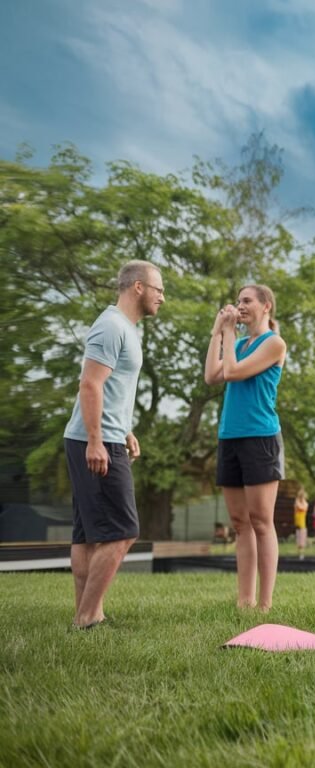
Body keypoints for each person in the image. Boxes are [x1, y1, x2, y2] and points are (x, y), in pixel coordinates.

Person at [64, 260, 165, 629]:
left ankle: (86, 613)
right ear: (138, 287)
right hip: (95, 441)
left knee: (89, 533)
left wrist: (124, 429)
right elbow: (90, 384)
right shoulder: (110, 326)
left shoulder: (122, 327)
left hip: (104, 435)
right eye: (159, 289)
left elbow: (111, 388)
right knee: (123, 530)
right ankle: (89, 616)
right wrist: (96, 441)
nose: (162, 298)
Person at [204, 284, 287, 613]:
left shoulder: (274, 344)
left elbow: (234, 372)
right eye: (238, 301)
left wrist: (227, 333)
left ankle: (264, 604)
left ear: (266, 306)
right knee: (240, 523)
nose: (240, 306)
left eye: (247, 300)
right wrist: (218, 333)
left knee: (261, 521)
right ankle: (244, 601)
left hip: (260, 438)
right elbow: (213, 375)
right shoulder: (238, 344)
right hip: (230, 437)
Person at [294, 487, 308, 559]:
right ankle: (299, 553)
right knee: (298, 538)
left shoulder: (304, 503)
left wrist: (302, 499)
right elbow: (298, 506)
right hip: (298, 522)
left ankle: (301, 554)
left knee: (302, 539)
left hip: (302, 523)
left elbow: (303, 507)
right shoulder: (297, 502)